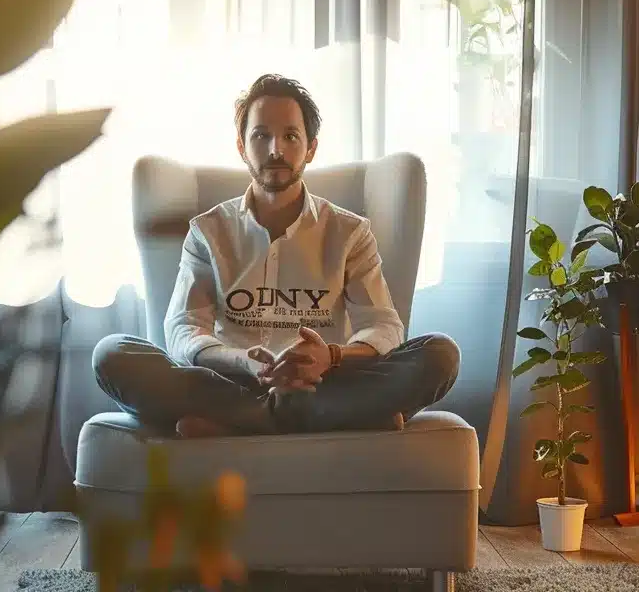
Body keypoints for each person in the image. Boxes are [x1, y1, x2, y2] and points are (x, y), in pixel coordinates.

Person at [93, 74, 460, 438]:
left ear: (311, 148)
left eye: (290, 136)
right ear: (241, 146)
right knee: (112, 354)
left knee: (439, 354)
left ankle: (246, 423)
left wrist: (330, 357)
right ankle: (321, 417)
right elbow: (184, 330)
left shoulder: (350, 233)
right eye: (261, 135)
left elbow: (384, 327)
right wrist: (244, 361)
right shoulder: (208, 231)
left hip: (326, 385)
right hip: (230, 384)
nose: (275, 150)